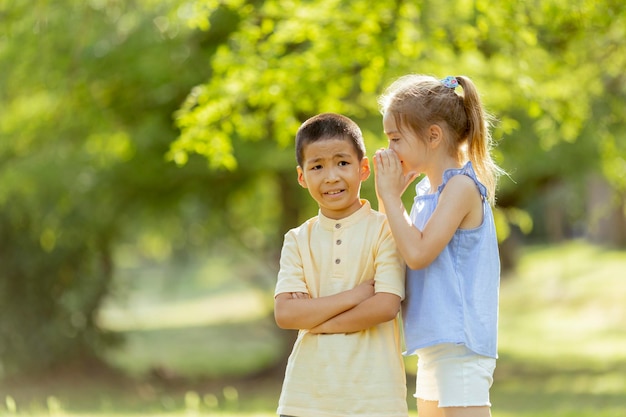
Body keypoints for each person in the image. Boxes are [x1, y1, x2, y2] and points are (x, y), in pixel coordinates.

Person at [373, 75, 503, 417]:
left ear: (433, 136)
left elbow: (417, 254)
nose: (389, 150)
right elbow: (397, 247)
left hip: (460, 344)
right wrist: (390, 199)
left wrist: (389, 197)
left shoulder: (460, 187)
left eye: (396, 139)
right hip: (434, 344)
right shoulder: (424, 195)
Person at [274, 112, 408, 417]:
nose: (331, 176)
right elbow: (286, 313)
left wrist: (315, 319)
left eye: (342, 163)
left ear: (363, 169)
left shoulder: (386, 229)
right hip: (304, 398)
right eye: (317, 166)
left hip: (374, 399)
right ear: (301, 176)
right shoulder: (297, 239)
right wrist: (357, 295)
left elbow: (385, 306)